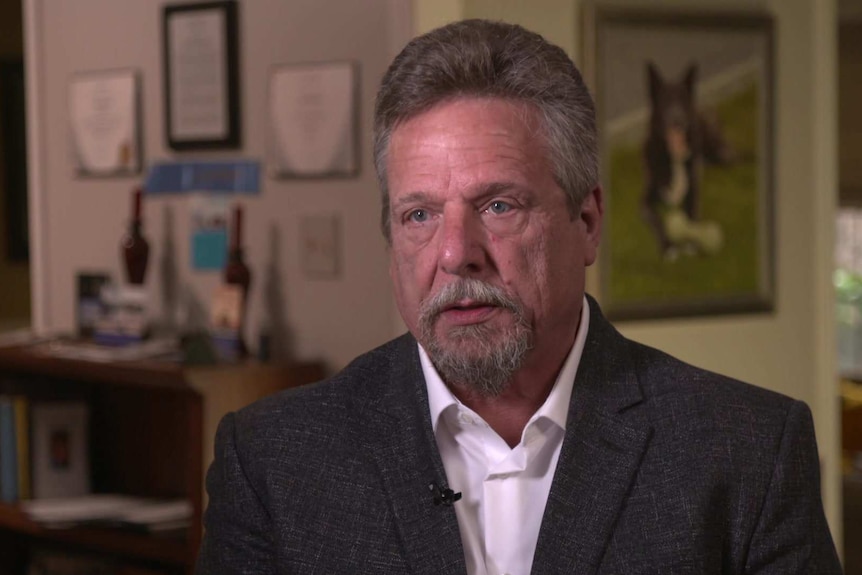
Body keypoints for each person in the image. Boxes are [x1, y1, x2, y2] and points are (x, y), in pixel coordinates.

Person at [196, 19, 841, 574]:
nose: (455, 253)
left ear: (587, 223)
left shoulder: (747, 452)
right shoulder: (274, 461)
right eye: (418, 215)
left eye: (498, 205)